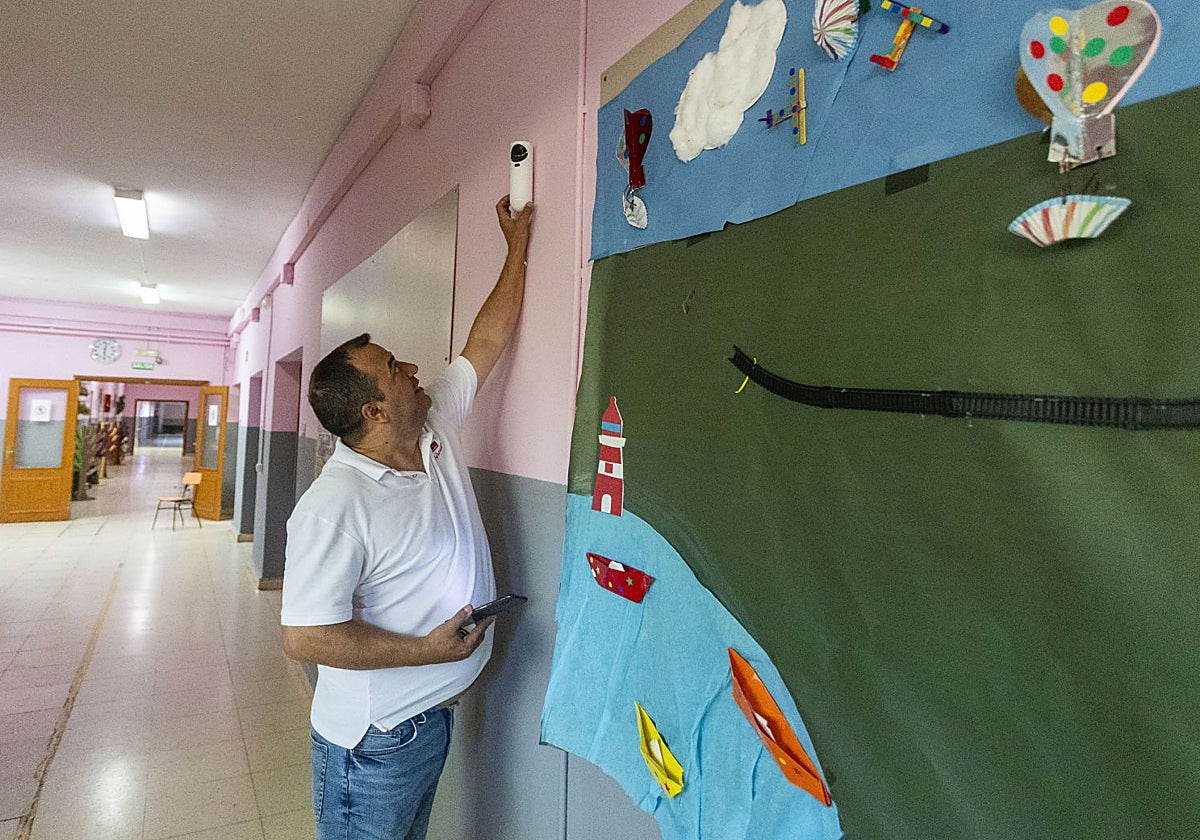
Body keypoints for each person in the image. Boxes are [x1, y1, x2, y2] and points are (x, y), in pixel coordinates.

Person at [280, 195, 534, 840]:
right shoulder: (334, 508)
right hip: (372, 748)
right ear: (373, 412)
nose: (416, 369)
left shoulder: (429, 423)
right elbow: (306, 638)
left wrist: (516, 246)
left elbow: (487, 339)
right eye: (396, 370)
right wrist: (424, 651)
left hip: (427, 721)